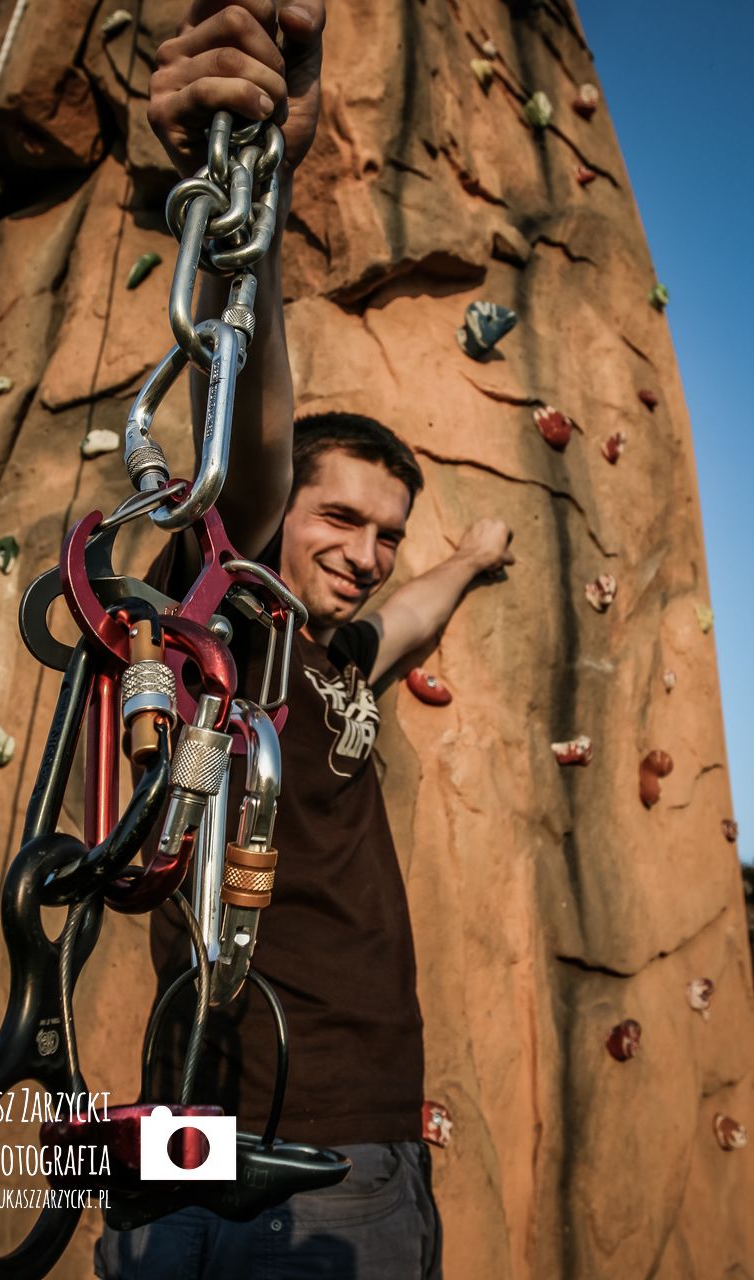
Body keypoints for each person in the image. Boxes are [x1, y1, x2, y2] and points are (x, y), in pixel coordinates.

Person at [95, 3, 514, 1276]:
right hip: (260, 1132)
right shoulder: (230, 617)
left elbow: (404, 614)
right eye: (341, 518)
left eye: (387, 533)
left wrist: (467, 558)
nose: (367, 552)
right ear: (283, 519)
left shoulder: (337, 657)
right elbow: (246, 454)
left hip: (326, 1129)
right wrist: (256, 208)